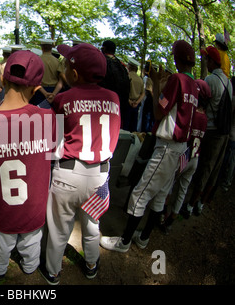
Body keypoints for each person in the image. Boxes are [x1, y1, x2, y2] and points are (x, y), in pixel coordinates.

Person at [99, 40, 198, 253]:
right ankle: (143, 238)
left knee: (139, 193)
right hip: (180, 147)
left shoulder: (178, 79)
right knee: (160, 195)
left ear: (176, 58)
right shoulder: (194, 84)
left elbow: (158, 113)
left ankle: (124, 242)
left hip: (167, 146)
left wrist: (155, 83)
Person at [39, 43, 121, 284]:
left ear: (74, 74)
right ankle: (91, 264)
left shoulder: (64, 98)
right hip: (100, 175)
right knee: (92, 225)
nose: (63, 68)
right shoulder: (114, 98)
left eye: (66, 65)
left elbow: (52, 136)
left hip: (68, 172)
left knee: (58, 229)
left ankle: (53, 272)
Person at [0, 50, 56, 279]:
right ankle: (30, 267)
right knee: (32, 241)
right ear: (36, 87)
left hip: (2, 204)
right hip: (33, 205)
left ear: (2, 79)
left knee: (1, 242)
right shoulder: (47, 118)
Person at [185, 46, 233, 216]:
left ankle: (188, 204)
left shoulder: (211, 79)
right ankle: (199, 202)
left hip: (210, 130)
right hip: (223, 133)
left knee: (199, 166)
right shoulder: (228, 82)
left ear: (213, 61)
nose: (205, 62)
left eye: (207, 59)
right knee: (213, 169)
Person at [161, 79, 210, 232]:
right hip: (195, 158)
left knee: (169, 184)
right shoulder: (205, 118)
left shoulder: (192, 114)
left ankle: (162, 213)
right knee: (183, 190)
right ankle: (172, 220)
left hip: (183, 156)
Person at [99, 40, 131, 131]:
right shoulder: (122, 66)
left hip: (103, 103)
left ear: (104, 48)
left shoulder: (101, 62)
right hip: (119, 105)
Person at [29, 39, 63, 108]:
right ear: (51, 48)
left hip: (40, 91)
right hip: (55, 90)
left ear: (42, 48)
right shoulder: (57, 61)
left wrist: (45, 93)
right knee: (57, 115)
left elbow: (34, 80)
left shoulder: (37, 60)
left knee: (39, 115)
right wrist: (53, 94)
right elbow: (60, 81)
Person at [127, 58, 145, 132]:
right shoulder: (140, 79)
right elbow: (143, 93)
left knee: (126, 126)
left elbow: (124, 91)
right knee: (133, 127)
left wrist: (129, 101)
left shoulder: (127, 77)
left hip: (128, 104)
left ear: (130, 67)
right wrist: (137, 102)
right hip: (136, 105)